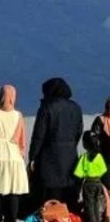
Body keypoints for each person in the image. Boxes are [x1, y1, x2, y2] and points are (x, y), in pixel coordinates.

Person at [28, 77, 83, 208]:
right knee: (69, 202)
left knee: (50, 203)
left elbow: (38, 136)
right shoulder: (76, 108)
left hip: (49, 161)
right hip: (70, 159)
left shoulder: (47, 107)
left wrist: (33, 157)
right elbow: (78, 132)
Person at [0, 85, 29, 222]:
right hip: (14, 155)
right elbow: (22, 140)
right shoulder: (18, 115)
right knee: (13, 189)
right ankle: (12, 218)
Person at [75, 131, 107, 222]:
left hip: (88, 183)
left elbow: (78, 173)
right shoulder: (99, 156)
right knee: (97, 204)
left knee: (89, 205)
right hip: (98, 183)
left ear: (85, 144)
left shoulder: (84, 157)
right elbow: (103, 170)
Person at [88, 98, 110, 190]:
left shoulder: (100, 120)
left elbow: (93, 138)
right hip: (104, 157)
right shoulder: (100, 120)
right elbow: (94, 139)